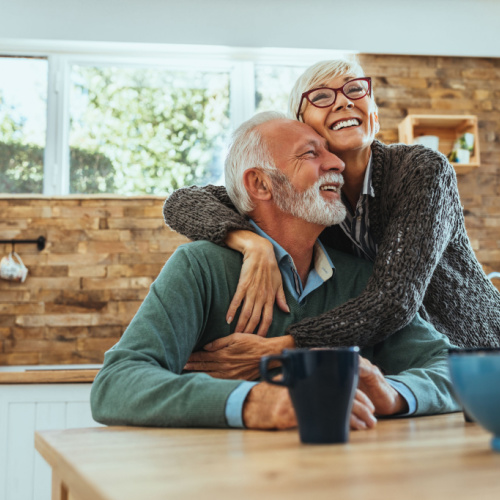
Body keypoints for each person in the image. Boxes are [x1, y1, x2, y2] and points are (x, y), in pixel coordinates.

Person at [91, 112, 459, 430]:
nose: (337, 164)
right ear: (260, 184)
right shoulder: (200, 267)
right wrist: (256, 402)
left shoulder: (361, 279)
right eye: (311, 154)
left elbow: (453, 369)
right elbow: (116, 383)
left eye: (330, 152)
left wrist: (393, 394)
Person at [163, 58, 500, 366]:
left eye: (355, 89)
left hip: (474, 352)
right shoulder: (308, 198)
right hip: (401, 363)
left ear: (375, 116)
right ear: (302, 125)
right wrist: (252, 243)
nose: (343, 100)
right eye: (322, 97)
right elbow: (182, 202)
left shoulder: (421, 170)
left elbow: (394, 299)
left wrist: (283, 345)